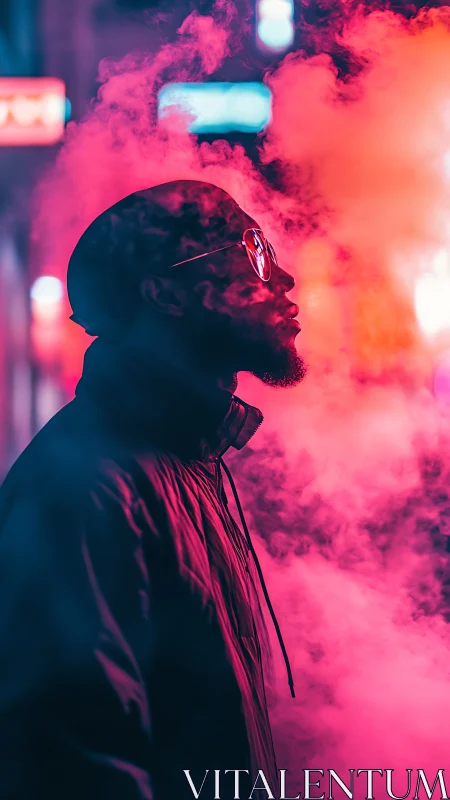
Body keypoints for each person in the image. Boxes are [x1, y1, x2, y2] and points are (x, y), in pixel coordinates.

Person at [0, 180, 306, 799]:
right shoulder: (85, 487)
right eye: (251, 250)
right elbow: (75, 769)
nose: (284, 278)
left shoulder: (189, 457)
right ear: (164, 294)